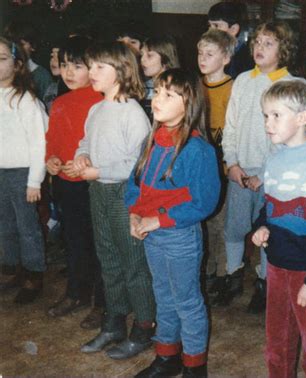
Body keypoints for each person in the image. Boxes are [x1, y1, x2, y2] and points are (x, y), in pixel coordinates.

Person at [126, 68, 220, 378]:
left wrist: (160, 220)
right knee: (162, 296)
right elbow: (135, 184)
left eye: (168, 94)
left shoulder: (198, 150)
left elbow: (203, 203)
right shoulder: (152, 141)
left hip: (179, 236)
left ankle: (194, 367)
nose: (157, 98)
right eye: (157, 91)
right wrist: (134, 215)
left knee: (187, 302)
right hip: (152, 236)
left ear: (188, 101)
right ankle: (167, 357)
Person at [252, 80, 306, 377]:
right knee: (278, 341)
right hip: (277, 267)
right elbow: (271, 207)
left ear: (302, 118)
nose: (268, 123)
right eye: (265, 115)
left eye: (276, 115)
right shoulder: (274, 160)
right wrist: (262, 226)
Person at [73, 41, 155, 360]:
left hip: (125, 194)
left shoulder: (133, 113)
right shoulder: (96, 109)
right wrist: (82, 156)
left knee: (133, 262)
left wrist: (99, 170)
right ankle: (115, 322)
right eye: (90, 66)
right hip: (99, 192)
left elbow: (139, 166)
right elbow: (85, 141)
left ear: (121, 71)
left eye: (98, 67)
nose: (91, 73)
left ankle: (145, 327)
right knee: (107, 258)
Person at [217, 21, 300, 313]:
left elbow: (289, 139)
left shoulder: (291, 85)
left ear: (283, 49)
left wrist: (264, 175)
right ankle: (233, 276)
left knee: (267, 230)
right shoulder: (242, 81)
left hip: (272, 175)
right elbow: (231, 127)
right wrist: (232, 163)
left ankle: (264, 283)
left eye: (269, 43)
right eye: (257, 42)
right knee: (234, 228)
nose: (259, 48)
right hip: (240, 171)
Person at [45, 36, 105, 329]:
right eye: (65, 65)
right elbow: (52, 140)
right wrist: (52, 159)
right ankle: (76, 292)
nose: (69, 72)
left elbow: (105, 146)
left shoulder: (102, 99)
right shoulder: (60, 102)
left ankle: (102, 304)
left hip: (93, 183)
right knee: (74, 241)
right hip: (66, 183)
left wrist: (87, 163)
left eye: (77, 66)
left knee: (99, 245)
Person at [0, 37, 48, 304]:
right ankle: (11, 266)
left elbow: (39, 141)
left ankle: (33, 272)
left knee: (26, 225)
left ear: (17, 64)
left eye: (2, 58)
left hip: (22, 173)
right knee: (4, 224)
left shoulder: (25, 99)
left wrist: (34, 181)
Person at [197, 28, 236, 298]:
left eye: (209, 54)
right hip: (201, 163)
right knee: (205, 220)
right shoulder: (196, 85)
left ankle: (223, 274)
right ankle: (209, 269)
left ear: (225, 58)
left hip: (221, 163)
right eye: (200, 52)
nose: (202, 58)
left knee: (222, 222)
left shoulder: (232, 88)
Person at [208, 1, 253, 79]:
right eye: (209, 25)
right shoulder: (212, 51)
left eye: (216, 25)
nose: (210, 31)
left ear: (233, 29)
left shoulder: (245, 57)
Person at [140, 35, 180, 121]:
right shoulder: (142, 87)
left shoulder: (177, 88)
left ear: (165, 57)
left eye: (149, 56)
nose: (142, 59)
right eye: (141, 55)